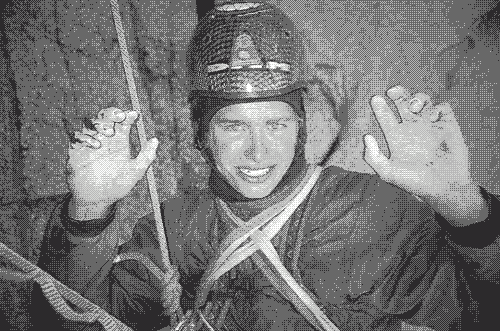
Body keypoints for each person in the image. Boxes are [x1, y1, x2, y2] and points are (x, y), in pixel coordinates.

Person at [21, 2, 499, 331]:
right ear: (201, 135)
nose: (257, 151)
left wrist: (465, 210)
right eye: (232, 127)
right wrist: (87, 211)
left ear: (301, 127)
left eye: (275, 125)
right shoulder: (176, 229)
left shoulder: (379, 211)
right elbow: (72, 321)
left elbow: (480, 314)